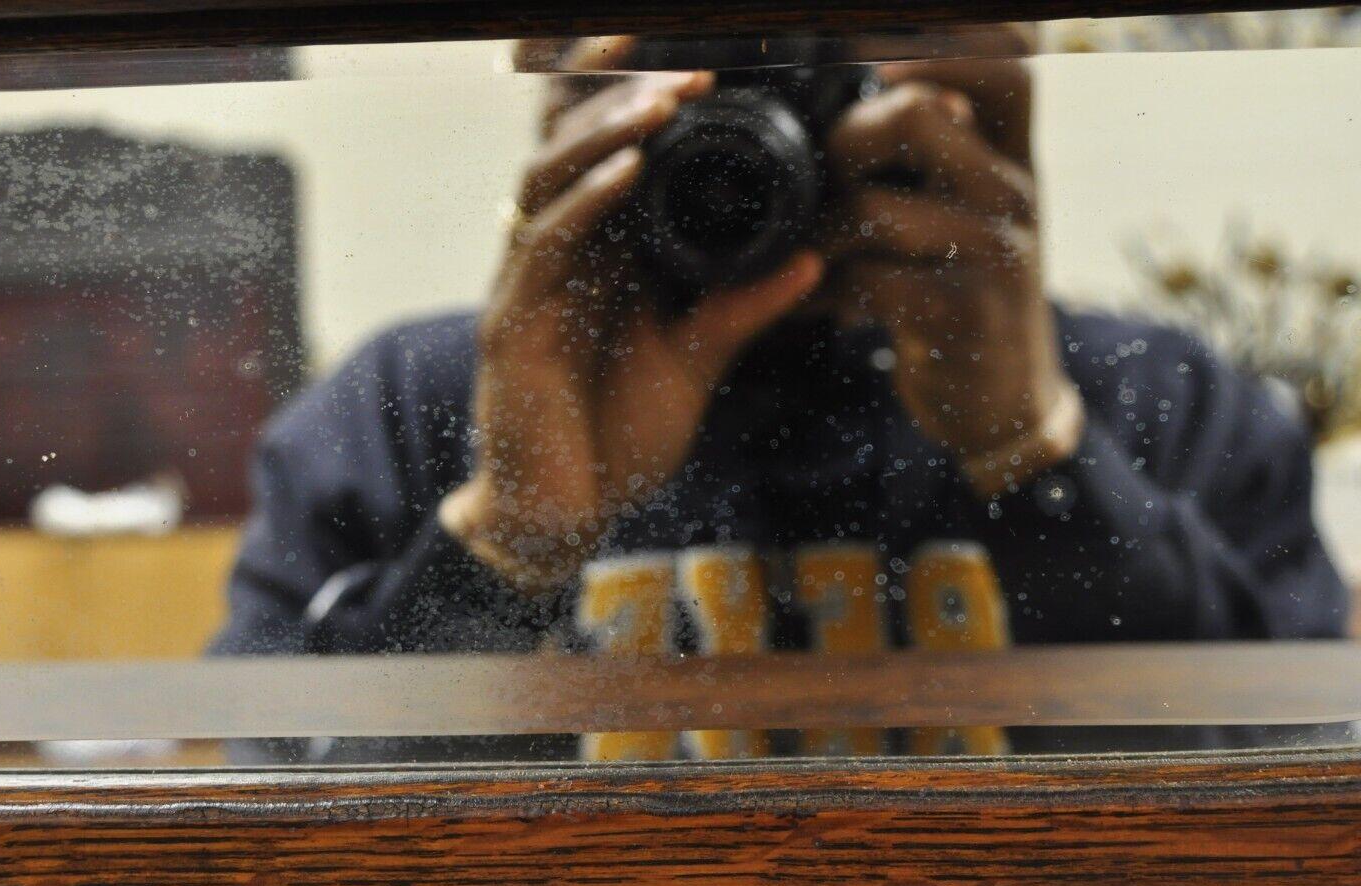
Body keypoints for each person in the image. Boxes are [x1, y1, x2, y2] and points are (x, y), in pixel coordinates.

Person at [211, 34, 1350, 760]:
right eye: (682, 55)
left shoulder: (1167, 404)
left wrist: (1035, 449)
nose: (756, 137)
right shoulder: (404, 415)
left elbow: (1299, 863)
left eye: (821, 65)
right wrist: (513, 530)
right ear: (545, 63)